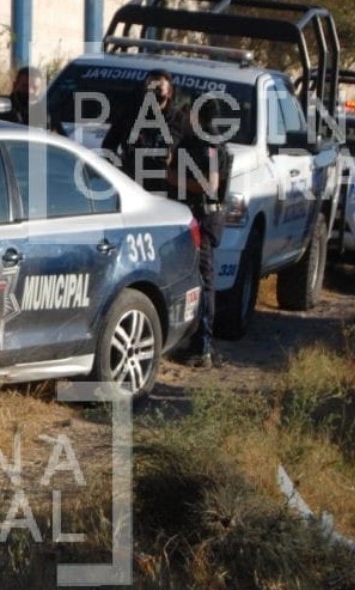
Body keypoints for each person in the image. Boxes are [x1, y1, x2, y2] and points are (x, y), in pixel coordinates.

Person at [167, 97, 232, 368]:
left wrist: (169, 177)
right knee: (196, 281)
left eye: (189, 112)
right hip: (201, 216)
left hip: (201, 217)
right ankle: (196, 342)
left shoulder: (206, 145)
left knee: (203, 283)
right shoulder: (204, 142)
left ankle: (203, 348)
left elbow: (208, 184)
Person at [100, 69, 189, 194]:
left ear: (169, 92)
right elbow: (108, 145)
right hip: (129, 183)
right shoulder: (130, 113)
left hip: (163, 187)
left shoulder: (179, 120)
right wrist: (118, 170)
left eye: (159, 89)